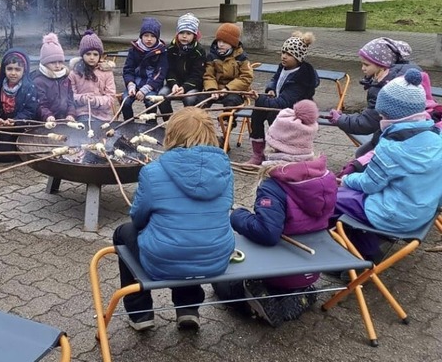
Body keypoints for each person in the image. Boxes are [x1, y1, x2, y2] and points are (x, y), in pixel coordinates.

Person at [112, 107, 235, 332]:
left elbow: (138, 219)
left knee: (123, 232)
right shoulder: (225, 170)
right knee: (193, 234)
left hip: (162, 261)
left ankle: (140, 313)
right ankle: (188, 309)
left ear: (172, 134)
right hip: (215, 258)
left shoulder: (153, 171)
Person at [219, 100, 336, 327]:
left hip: (280, 269)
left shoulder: (274, 186)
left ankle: (258, 296)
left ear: (274, 145)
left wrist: (238, 216)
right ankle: (301, 293)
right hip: (312, 266)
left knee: (223, 285)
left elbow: (267, 233)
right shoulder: (327, 176)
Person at [334, 70, 442, 261]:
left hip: (393, 215)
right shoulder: (436, 137)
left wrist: (345, 179)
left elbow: (369, 184)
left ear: (387, 113)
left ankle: (362, 253)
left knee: (333, 199)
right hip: (423, 212)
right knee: (353, 197)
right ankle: (368, 243)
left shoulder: (392, 146)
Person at [327, 37, 420, 157]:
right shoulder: (398, 78)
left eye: (366, 64)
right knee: (362, 153)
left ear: (382, 65)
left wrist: (340, 119)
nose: (362, 68)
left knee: (362, 156)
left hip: (394, 138)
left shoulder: (386, 87)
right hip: (404, 134)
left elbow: (368, 122)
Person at [245, 31, 319, 165]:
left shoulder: (301, 78)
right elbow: (275, 80)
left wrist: (259, 98)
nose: (284, 56)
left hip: (295, 113)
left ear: (299, 57)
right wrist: (271, 89)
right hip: (281, 105)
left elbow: (283, 103)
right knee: (258, 112)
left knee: (275, 114)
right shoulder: (283, 67)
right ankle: (258, 153)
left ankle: (281, 152)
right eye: (283, 52)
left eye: (289, 54)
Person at [0, 48, 38, 161]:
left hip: (22, 126)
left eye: (17, 69)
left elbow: (30, 111)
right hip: (3, 126)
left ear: (24, 70)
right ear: (4, 70)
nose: (13, 73)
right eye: (9, 69)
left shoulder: (29, 88)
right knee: (3, 157)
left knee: (24, 154)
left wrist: (16, 121)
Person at [158, 13, 206, 120]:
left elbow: (198, 75)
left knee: (189, 99)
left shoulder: (199, 51)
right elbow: (169, 70)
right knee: (162, 96)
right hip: (174, 83)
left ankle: (188, 124)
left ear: (194, 35)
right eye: (181, 33)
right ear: (177, 33)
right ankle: (169, 122)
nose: (184, 36)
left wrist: (185, 87)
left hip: (191, 85)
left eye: (188, 33)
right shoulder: (171, 48)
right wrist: (173, 84)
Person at [121, 17, 168, 121]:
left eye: (152, 36)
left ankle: (151, 123)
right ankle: (128, 123)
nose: (149, 39)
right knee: (125, 101)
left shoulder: (162, 52)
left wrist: (146, 89)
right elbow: (128, 69)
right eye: (146, 35)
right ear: (141, 36)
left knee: (150, 102)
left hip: (151, 85)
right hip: (135, 83)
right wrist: (130, 85)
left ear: (157, 38)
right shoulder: (134, 50)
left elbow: (160, 73)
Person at [68, 30, 116, 124]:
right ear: (82, 55)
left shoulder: (107, 73)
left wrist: (96, 101)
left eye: (95, 54)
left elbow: (111, 98)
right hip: (83, 113)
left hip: (104, 115)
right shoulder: (74, 73)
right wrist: (83, 99)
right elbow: (69, 97)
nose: (92, 57)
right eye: (88, 54)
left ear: (100, 56)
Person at [203, 23, 253, 111]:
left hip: (235, 91)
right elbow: (208, 75)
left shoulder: (241, 57)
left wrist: (228, 89)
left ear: (233, 44)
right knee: (199, 99)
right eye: (219, 41)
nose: (221, 44)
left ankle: (226, 122)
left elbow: (246, 77)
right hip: (216, 89)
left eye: (225, 42)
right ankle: (200, 120)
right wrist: (212, 89)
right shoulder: (212, 56)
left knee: (231, 101)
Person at [31, 33, 76, 122]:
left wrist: (71, 113)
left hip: (65, 119)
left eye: (60, 62)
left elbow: (71, 100)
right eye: (53, 62)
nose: (57, 65)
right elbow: (40, 104)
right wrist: (47, 115)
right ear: (45, 63)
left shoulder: (66, 78)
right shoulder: (39, 81)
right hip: (46, 121)